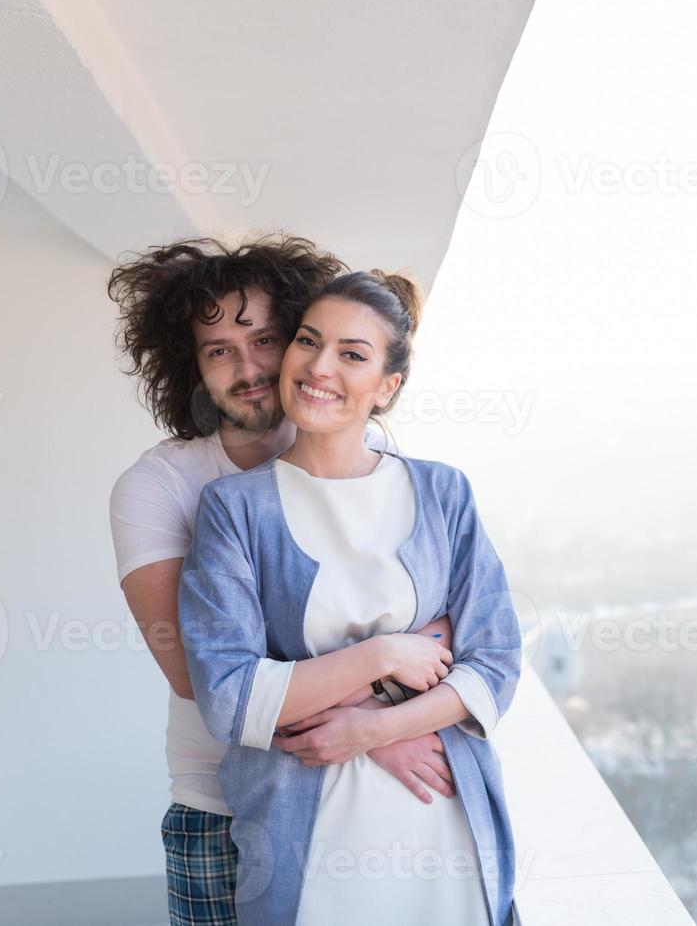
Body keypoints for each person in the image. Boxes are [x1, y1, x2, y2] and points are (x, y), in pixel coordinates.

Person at [107, 237, 459, 926]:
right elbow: (196, 673)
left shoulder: (382, 461)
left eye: (267, 339)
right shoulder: (159, 487)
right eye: (218, 350)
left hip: (366, 799)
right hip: (222, 807)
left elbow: (448, 623)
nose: (248, 367)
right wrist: (380, 715)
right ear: (191, 369)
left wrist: (366, 726)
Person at [179, 269, 521, 925]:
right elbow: (228, 695)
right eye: (309, 342)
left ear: (387, 387)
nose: (319, 367)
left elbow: (496, 658)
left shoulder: (443, 493)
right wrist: (382, 655)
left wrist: (372, 729)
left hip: (441, 829)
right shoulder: (234, 510)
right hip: (305, 848)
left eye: (353, 354)